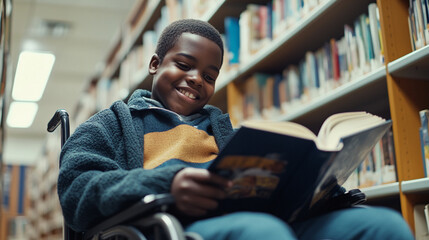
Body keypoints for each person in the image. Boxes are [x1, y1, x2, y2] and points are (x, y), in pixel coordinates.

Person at [58, 19, 415, 240]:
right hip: (170, 228)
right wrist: (167, 181)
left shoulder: (224, 129)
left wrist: (320, 185)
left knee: (383, 227)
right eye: (184, 64)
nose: (196, 79)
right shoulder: (111, 124)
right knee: (263, 234)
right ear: (154, 64)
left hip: (256, 219)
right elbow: (77, 190)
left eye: (210, 76)